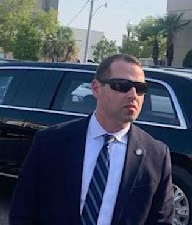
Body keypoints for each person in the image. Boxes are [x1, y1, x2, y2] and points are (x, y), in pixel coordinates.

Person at [9, 53, 174, 225]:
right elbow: (23, 210)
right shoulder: (51, 141)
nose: (133, 95)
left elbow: (161, 220)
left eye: (140, 88)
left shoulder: (156, 155)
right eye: (122, 86)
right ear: (96, 89)